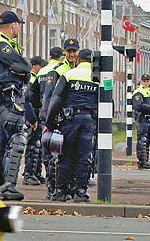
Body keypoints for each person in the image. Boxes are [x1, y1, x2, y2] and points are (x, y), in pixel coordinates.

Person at [0, 11, 32, 201]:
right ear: (13, 25)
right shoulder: (0, 45)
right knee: (17, 138)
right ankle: (8, 186)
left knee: (3, 144)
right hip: (6, 99)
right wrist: (22, 70)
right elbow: (24, 67)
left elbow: (25, 70)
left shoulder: (9, 45)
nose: (19, 28)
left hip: (9, 98)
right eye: (19, 25)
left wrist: (24, 70)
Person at [43, 49, 98, 202]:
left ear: (79, 60)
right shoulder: (97, 78)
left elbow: (56, 99)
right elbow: (107, 103)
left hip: (69, 121)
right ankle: (80, 192)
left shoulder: (69, 75)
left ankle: (61, 192)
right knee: (84, 157)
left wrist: (49, 122)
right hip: (89, 122)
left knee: (65, 156)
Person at [32, 47, 66, 195]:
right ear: (62, 56)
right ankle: (58, 185)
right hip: (60, 115)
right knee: (60, 151)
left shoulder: (42, 72)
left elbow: (32, 96)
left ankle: (49, 184)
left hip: (43, 114)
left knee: (45, 149)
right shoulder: (62, 71)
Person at [22, 55, 47, 186]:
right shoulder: (30, 79)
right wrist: (32, 119)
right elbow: (28, 101)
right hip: (32, 116)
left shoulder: (35, 78)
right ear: (34, 67)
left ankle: (36, 173)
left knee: (38, 146)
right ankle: (28, 174)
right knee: (32, 146)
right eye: (40, 66)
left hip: (36, 115)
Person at [131, 75, 150, 169]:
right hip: (142, 118)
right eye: (144, 81)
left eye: (147, 81)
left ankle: (146, 160)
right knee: (142, 140)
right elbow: (138, 106)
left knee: (148, 140)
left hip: (149, 119)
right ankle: (142, 161)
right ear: (141, 81)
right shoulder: (138, 92)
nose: (146, 83)